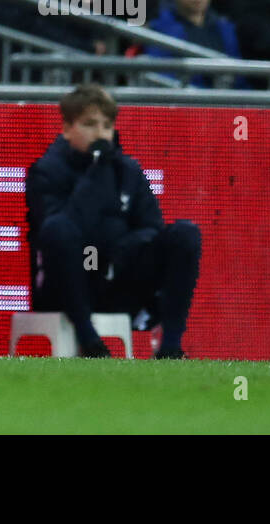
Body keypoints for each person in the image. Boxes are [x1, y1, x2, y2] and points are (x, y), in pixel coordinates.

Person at [25, 84, 201, 358]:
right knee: (60, 231)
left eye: (107, 126)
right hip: (69, 285)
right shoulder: (46, 172)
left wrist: (120, 251)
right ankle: (88, 340)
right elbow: (57, 230)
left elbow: (151, 227)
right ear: (67, 128)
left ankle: (171, 347)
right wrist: (94, 175)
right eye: (90, 125)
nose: (100, 134)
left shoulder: (127, 170)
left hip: (119, 279)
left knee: (185, 234)